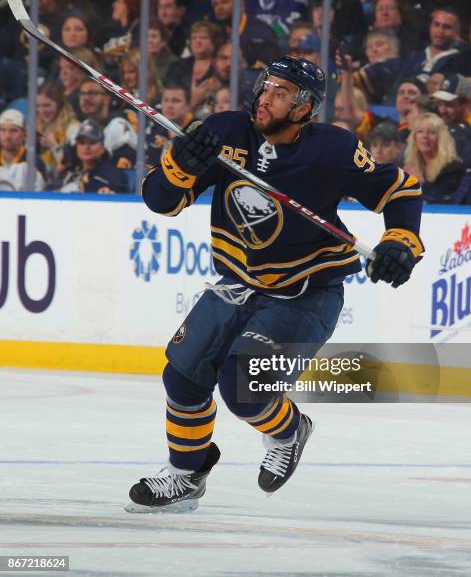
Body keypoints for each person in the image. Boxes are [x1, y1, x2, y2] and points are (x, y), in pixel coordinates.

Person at [126, 56, 424, 512]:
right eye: (266, 86)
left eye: (281, 92)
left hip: (307, 292)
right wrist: (178, 165)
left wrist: (401, 242)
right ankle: (187, 474)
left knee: (243, 385)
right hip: (237, 283)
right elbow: (161, 202)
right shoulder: (225, 133)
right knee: (182, 376)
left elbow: (400, 190)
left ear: (305, 107)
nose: (266, 97)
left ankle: (289, 431)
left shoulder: (333, 149)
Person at [404, 112, 466, 203]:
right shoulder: (410, 165)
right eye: (420, 131)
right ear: (414, 137)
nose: (425, 136)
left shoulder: (453, 168)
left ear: (441, 138)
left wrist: (421, 184)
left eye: (432, 132)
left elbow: (443, 201)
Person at [60, 119, 126, 194]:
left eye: (92, 142)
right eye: (82, 143)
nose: (87, 147)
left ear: (102, 147)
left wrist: (83, 188)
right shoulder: (72, 170)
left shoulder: (110, 172)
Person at [0, 109, 45, 192]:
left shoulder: (34, 162)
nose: (7, 136)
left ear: (24, 134)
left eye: (13, 131)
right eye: (3, 130)